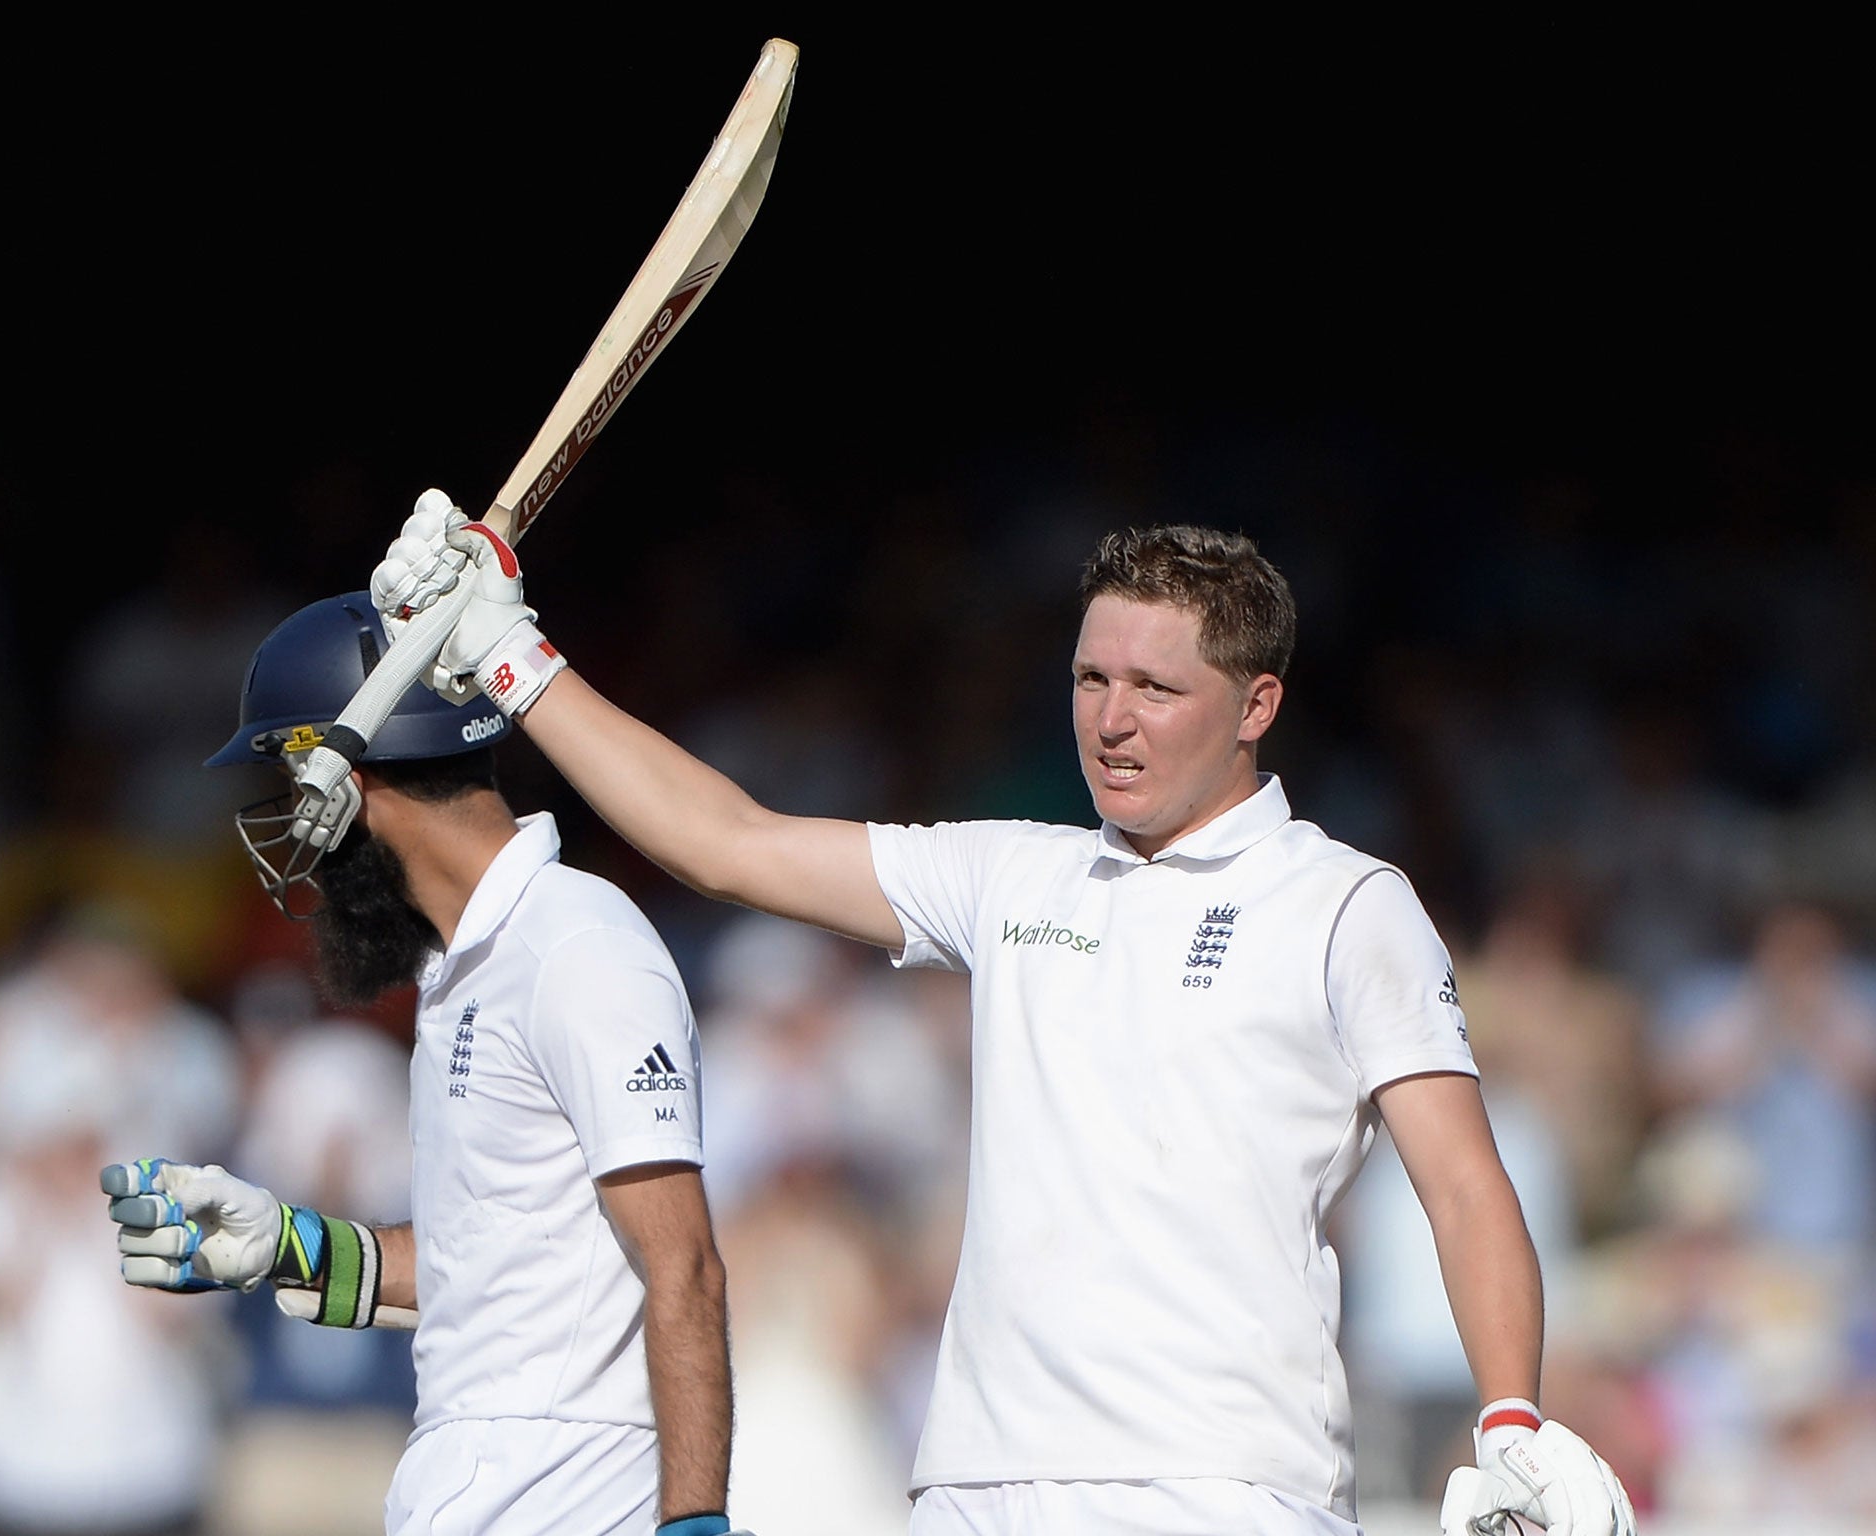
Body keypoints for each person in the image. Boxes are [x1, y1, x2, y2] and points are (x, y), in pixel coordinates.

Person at [346, 499, 1647, 1536]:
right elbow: (726, 843)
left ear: (1256, 707)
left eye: (1156, 688)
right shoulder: (1014, 873)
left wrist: (1513, 1421)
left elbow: (1467, 1189)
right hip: (978, 1485)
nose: (1112, 720)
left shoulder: (1345, 905)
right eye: (1091, 678)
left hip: (1220, 1488)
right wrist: (517, 665)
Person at [100, 589, 749, 1536]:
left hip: (570, 1506)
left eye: (291, 798)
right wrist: (283, 1244)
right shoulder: (461, 969)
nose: (289, 837)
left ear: (342, 794)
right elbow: (481, 1263)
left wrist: (695, 1521)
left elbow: (684, 1265)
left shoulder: (577, 945)